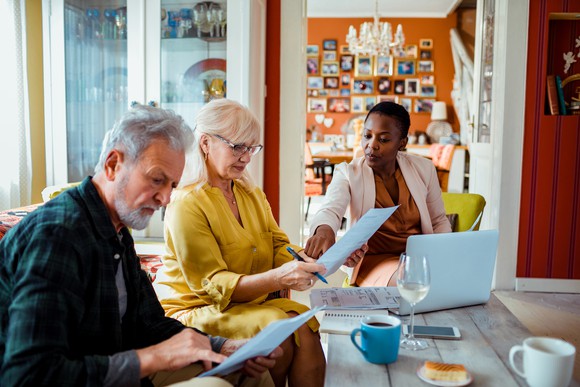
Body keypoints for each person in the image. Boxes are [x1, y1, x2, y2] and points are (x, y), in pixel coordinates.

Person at [0, 105, 281, 387]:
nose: (166, 199)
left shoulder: (117, 231)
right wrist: (152, 359)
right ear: (113, 165)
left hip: (113, 369)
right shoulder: (57, 238)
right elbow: (29, 374)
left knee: (249, 372)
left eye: (172, 185)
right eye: (157, 180)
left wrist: (220, 346)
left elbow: (149, 324)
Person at [153, 99, 331, 387]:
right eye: (238, 147)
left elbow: (277, 244)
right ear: (206, 143)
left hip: (245, 305)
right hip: (198, 309)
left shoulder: (248, 192)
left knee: (304, 325)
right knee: (279, 330)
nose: (246, 157)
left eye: (252, 148)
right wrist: (279, 278)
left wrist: (305, 259)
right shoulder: (187, 203)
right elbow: (213, 286)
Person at [304, 101, 451, 287]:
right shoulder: (348, 173)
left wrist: (444, 255)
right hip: (373, 261)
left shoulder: (424, 169)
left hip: (418, 258)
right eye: (367, 135)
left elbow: (438, 220)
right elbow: (331, 208)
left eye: (383, 139)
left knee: (449, 279)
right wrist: (324, 230)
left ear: (402, 142)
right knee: (412, 281)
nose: (371, 145)